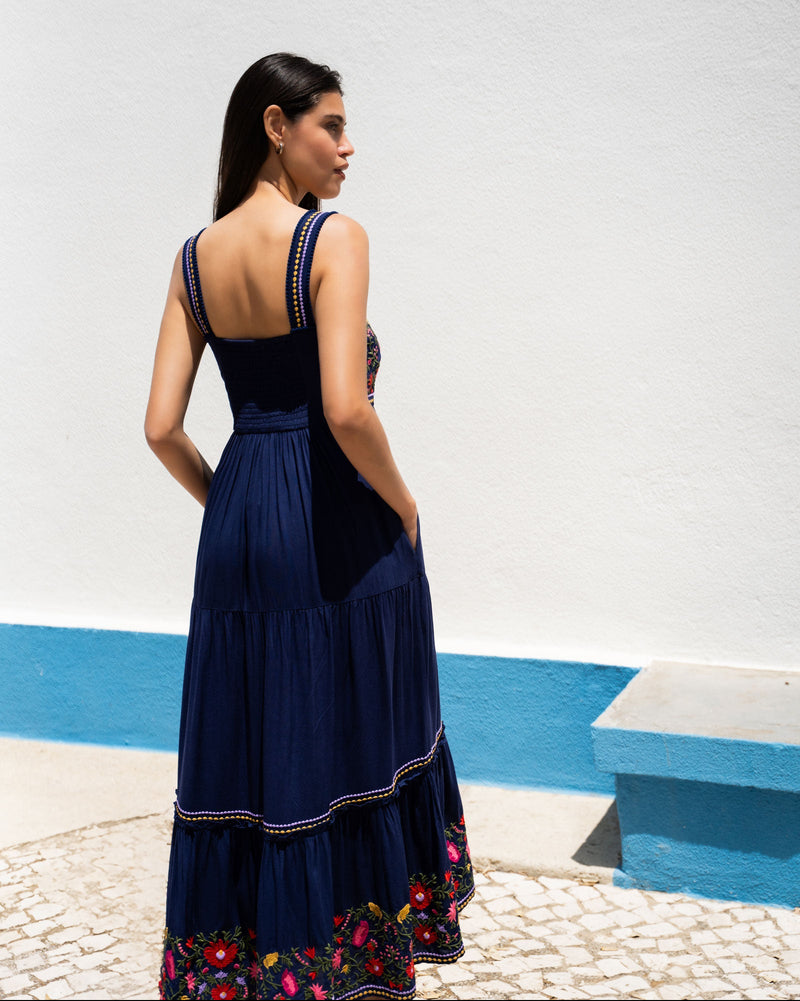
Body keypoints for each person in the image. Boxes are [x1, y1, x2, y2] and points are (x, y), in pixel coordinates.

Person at [145, 53, 473, 1000]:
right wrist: (403, 504)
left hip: (241, 507)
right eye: (331, 124)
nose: (347, 144)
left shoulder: (192, 259)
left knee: (253, 746)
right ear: (277, 127)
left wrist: (233, 505)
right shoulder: (332, 238)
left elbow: (162, 429)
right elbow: (345, 407)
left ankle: (249, 961)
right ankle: (352, 960)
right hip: (336, 514)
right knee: (357, 730)